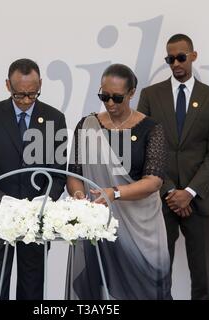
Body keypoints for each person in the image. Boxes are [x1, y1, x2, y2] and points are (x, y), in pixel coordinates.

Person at [66, 64, 171, 300]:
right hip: (98, 226)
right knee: (97, 290)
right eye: (104, 96)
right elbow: (74, 173)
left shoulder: (152, 129)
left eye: (117, 97)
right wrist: (79, 197)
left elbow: (154, 181)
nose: (110, 103)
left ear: (132, 93)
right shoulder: (87, 125)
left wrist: (115, 192)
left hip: (141, 230)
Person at [0, 58, 67, 300]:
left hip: (37, 221)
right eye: (18, 94)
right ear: (7, 86)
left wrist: (43, 200)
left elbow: (58, 174)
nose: (25, 101)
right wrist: (4, 201)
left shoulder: (55, 118)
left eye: (32, 94)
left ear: (40, 84)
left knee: (33, 293)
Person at [137, 34, 209, 299]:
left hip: (199, 200)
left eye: (181, 57)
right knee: (158, 274)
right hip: (160, 199)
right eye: (170, 58)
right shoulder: (150, 96)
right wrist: (170, 191)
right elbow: (144, 149)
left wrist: (189, 192)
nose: (175, 63)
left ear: (193, 56)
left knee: (201, 276)